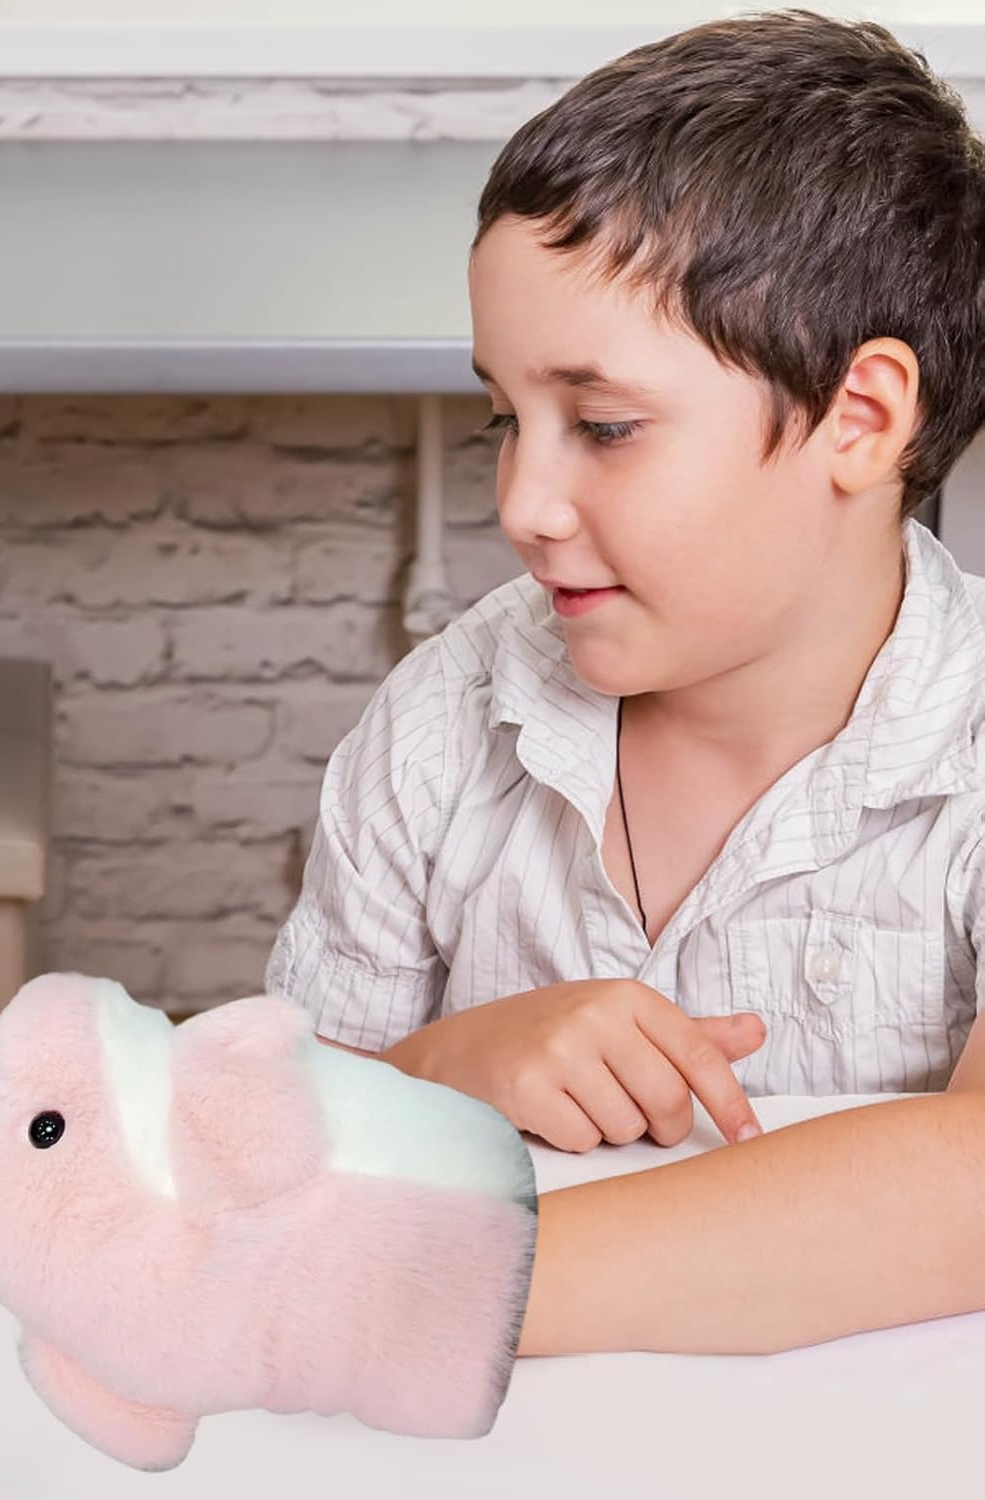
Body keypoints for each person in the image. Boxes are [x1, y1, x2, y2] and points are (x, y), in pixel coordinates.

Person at [268, 10, 985, 1352]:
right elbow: (261, 1141)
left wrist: (446, 1291)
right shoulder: (445, 722)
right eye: (506, 419)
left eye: (603, 427)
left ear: (860, 419)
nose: (523, 504)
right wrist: (438, 1074)